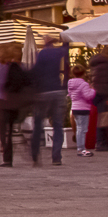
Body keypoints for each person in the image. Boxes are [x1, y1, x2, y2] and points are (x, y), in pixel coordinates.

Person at [28, 34, 69, 165]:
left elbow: (35, 72)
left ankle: (35, 155)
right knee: (58, 125)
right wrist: (63, 38)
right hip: (57, 90)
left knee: (38, 123)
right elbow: (66, 48)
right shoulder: (57, 52)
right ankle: (56, 157)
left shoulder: (41, 54)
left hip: (43, 92)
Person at [88, 47, 108, 151]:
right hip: (104, 93)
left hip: (95, 92)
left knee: (100, 117)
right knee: (104, 118)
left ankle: (101, 142)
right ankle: (102, 143)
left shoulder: (95, 64)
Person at [68, 65, 97, 157]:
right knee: (82, 129)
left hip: (74, 108)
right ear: (83, 73)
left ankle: (80, 148)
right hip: (83, 108)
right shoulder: (84, 84)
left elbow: (70, 94)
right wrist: (92, 90)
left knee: (79, 129)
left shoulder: (70, 83)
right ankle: (81, 149)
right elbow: (88, 96)